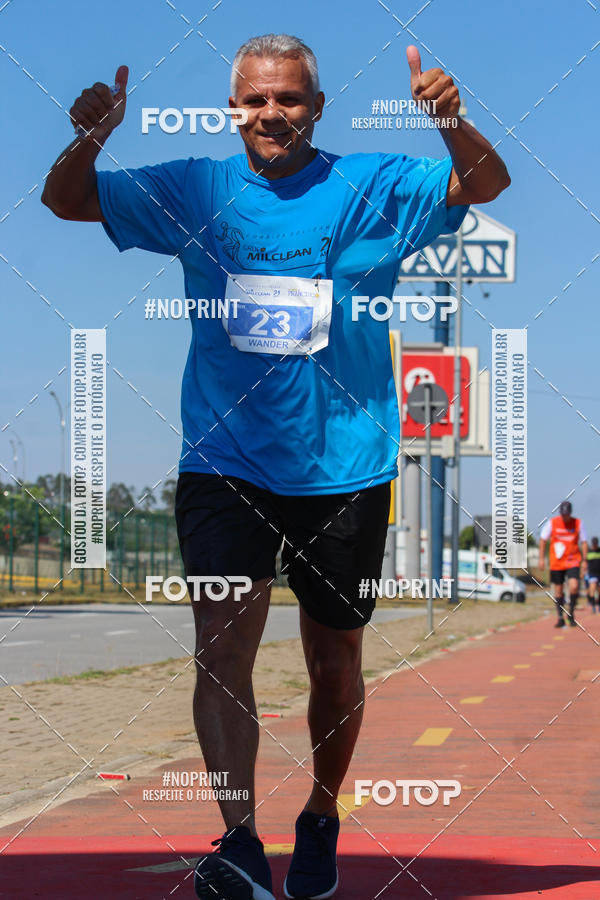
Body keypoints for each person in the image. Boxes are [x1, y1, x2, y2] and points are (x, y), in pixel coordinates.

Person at [41, 33, 510, 900]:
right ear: (233, 109)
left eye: (288, 99)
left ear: (317, 108)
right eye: (255, 100)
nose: (271, 114)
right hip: (225, 462)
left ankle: (322, 814)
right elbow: (65, 201)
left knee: (335, 663)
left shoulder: (375, 185)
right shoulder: (193, 187)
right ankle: (239, 842)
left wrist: (450, 122)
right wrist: (90, 140)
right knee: (222, 655)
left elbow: (485, 183)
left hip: (348, 466)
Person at [538, 501, 588, 628]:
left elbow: (584, 542)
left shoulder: (578, 523)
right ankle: (560, 617)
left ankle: (570, 613)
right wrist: (541, 558)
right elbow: (543, 539)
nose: (565, 517)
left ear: (570, 513)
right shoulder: (552, 523)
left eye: (567, 514)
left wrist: (584, 561)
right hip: (557, 562)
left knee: (574, 586)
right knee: (559, 591)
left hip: (573, 560)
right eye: (563, 514)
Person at [586, 536, 600, 612]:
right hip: (592, 573)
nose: (595, 545)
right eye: (593, 544)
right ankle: (593, 606)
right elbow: (585, 563)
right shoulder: (589, 551)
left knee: (599, 590)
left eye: (596, 544)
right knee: (592, 588)